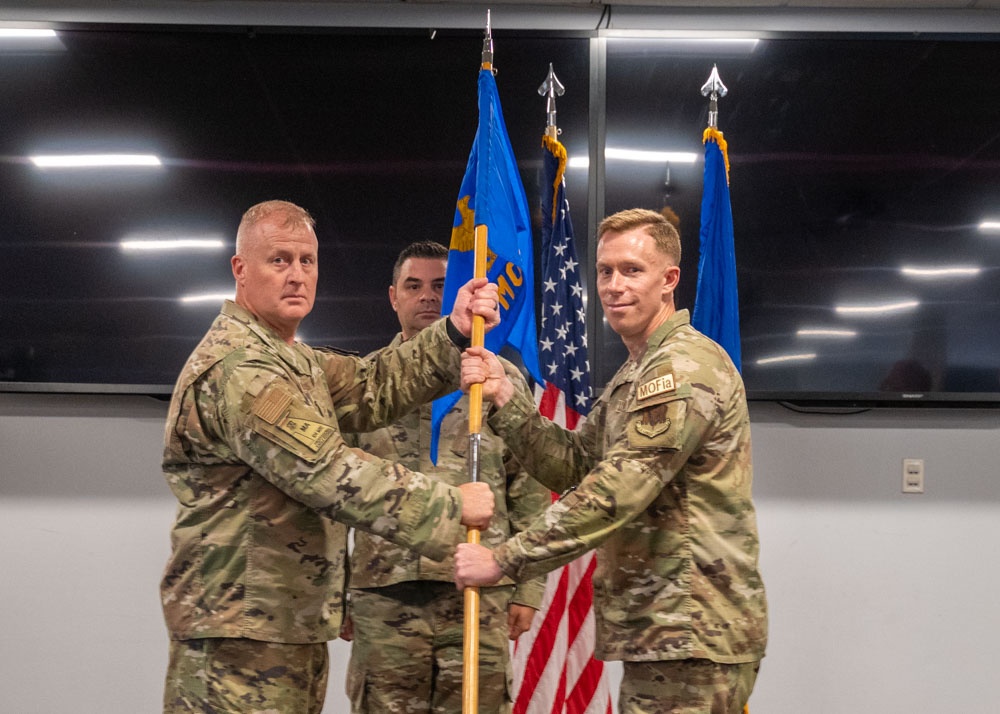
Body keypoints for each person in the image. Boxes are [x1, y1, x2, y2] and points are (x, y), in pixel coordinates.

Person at [159, 200, 500, 714]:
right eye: (279, 260)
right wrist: (451, 507)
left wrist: (451, 329)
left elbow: (374, 383)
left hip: (281, 621)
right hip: (240, 631)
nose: (297, 276)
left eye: (307, 261)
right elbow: (326, 470)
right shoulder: (241, 367)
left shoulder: (294, 359)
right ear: (240, 269)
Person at [455, 208, 768, 714]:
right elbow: (576, 465)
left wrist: (504, 559)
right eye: (605, 271)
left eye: (632, 270)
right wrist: (505, 397)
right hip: (663, 625)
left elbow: (617, 490)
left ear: (669, 280)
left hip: (693, 627)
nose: (614, 285)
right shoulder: (638, 371)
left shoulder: (682, 367)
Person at [340, 240, 550, 714]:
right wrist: (338, 593)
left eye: (440, 286)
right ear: (393, 297)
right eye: (413, 286)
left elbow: (530, 486)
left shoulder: (496, 378)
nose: (427, 297)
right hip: (385, 591)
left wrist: (530, 587)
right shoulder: (362, 385)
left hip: (479, 589)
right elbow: (334, 494)